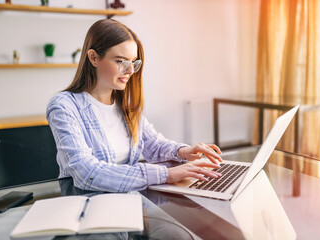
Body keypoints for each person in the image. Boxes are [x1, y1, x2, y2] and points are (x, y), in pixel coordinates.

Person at [46, 19, 222, 192]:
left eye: (133, 62)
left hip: (126, 199)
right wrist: (165, 174)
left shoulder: (125, 104)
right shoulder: (64, 106)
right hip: (87, 203)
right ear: (93, 58)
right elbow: (86, 172)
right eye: (121, 61)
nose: (130, 71)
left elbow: (153, 144)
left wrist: (183, 151)